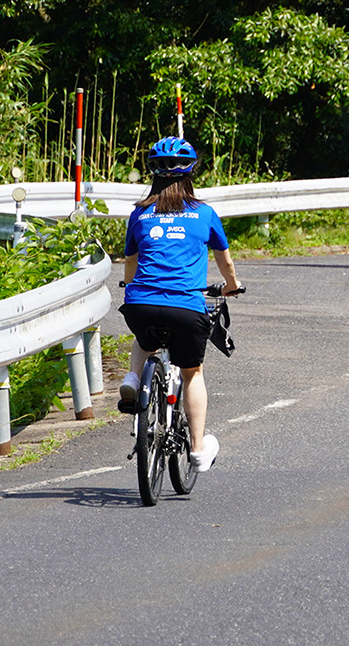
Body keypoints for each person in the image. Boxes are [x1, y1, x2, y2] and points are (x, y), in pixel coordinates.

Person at [117, 135, 240, 472]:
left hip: (140, 302)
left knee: (145, 340)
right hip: (186, 306)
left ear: (152, 174)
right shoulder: (204, 213)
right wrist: (232, 286)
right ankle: (199, 450)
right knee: (192, 372)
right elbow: (225, 264)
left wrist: (131, 285)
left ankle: (131, 379)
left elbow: (130, 262)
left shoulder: (139, 214)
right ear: (190, 173)